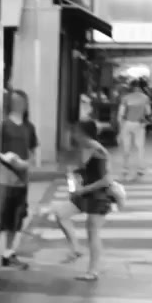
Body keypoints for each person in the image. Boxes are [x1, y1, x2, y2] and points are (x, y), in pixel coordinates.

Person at [47, 120, 113, 282]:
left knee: (93, 233)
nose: (73, 135)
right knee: (61, 214)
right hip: (84, 195)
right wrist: (73, 183)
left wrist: (83, 189)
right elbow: (81, 171)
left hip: (98, 197)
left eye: (76, 132)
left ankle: (93, 271)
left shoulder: (97, 150)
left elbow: (106, 180)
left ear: (84, 133)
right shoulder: (82, 148)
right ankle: (76, 248)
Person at [0, 89, 38, 269]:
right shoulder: (3, 125)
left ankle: (8, 253)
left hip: (21, 178)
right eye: (15, 101)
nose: (18, 105)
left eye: (21, 101)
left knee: (16, 217)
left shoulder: (29, 127)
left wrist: (26, 164)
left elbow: (33, 151)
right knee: (1, 216)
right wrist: (6, 158)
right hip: (4, 177)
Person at [116, 78, 151, 179]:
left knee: (126, 146)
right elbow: (148, 112)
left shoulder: (126, 98)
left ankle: (125, 168)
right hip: (139, 124)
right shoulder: (145, 98)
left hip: (127, 123)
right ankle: (140, 168)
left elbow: (121, 114)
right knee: (140, 147)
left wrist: (120, 127)